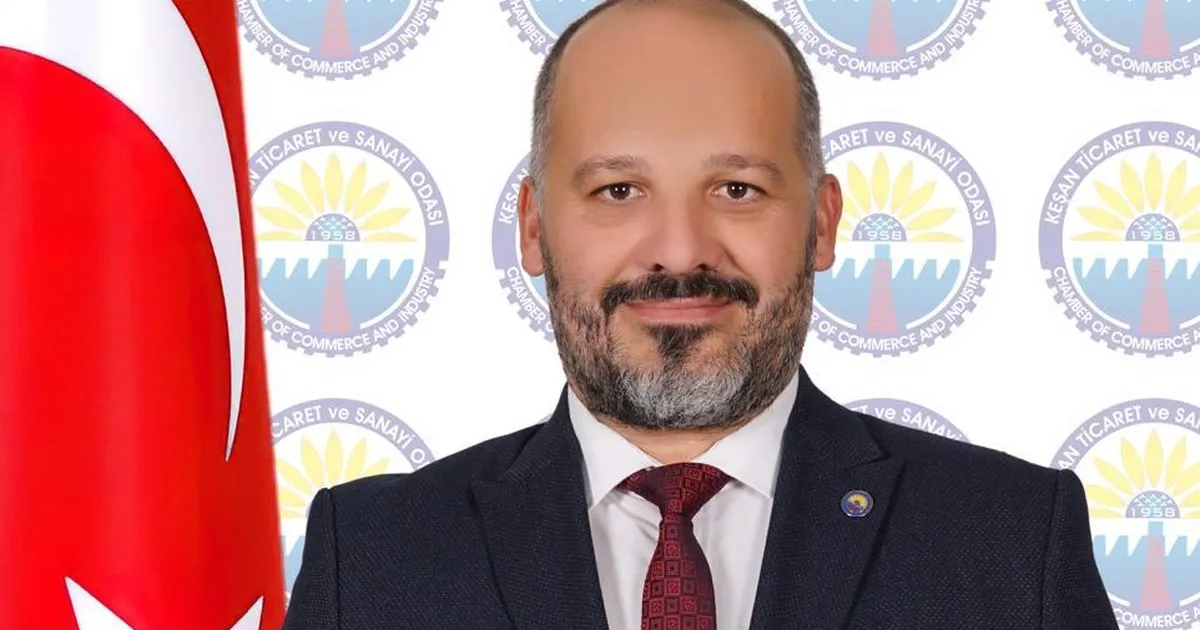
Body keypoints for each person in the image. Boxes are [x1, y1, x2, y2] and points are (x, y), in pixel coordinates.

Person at [282, 1, 1118, 628]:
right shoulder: (374, 556)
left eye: (737, 189)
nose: (680, 251)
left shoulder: (1011, 539)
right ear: (533, 229)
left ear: (823, 223)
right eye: (619, 190)